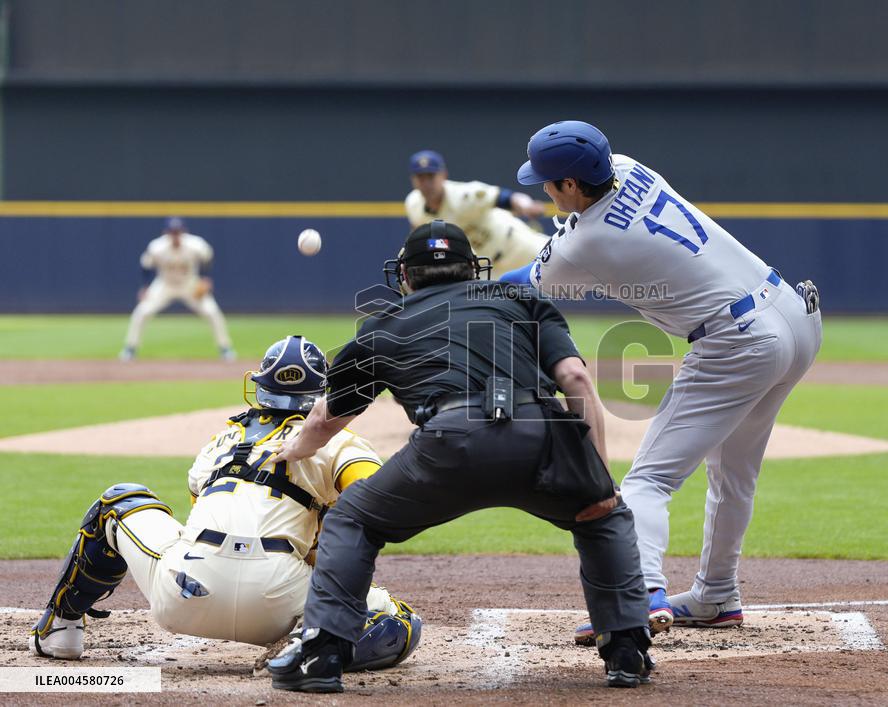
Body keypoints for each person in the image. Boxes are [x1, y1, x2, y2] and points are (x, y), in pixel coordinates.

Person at [265, 220, 652, 694]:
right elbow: (575, 379)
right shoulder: (520, 299)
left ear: (404, 275)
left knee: (354, 519)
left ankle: (323, 653)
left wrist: (290, 449)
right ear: (473, 269)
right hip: (542, 437)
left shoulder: (384, 325)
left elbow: (325, 420)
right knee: (602, 516)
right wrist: (596, 477)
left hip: (448, 444)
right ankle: (626, 650)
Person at [502, 120, 823, 643]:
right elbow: (573, 234)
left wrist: (467, 287)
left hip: (737, 341)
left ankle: (641, 597)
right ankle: (716, 595)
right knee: (733, 472)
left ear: (571, 186)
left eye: (549, 180)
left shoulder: (588, 243)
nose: (543, 188)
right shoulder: (628, 167)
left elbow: (529, 284)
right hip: (792, 314)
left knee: (648, 481)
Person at [30, 335, 421, 672]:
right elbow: (378, 499)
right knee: (401, 623)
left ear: (259, 386)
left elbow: (205, 515)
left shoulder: (219, 444)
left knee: (119, 501)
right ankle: (312, 645)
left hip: (183, 593)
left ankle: (60, 631)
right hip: (278, 603)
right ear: (325, 394)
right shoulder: (339, 442)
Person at [405, 150, 549, 275]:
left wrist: (527, 206)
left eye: (430, 176)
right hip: (488, 268)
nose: (426, 183)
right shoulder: (413, 204)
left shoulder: (464, 195)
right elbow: (419, 234)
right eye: (420, 177)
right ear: (413, 180)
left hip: (518, 245)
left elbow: (507, 197)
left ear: (443, 175)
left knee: (564, 263)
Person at [120, 217, 236, 361]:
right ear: (166, 233)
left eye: (177, 232)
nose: (175, 235)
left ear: (183, 231)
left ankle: (225, 348)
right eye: (172, 232)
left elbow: (207, 258)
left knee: (212, 312)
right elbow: (146, 266)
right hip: (165, 284)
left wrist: (206, 278)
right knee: (141, 312)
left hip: (190, 284)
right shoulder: (157, 246)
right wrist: (145, 287)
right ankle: (130, 348)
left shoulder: (196, 244)